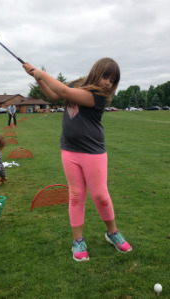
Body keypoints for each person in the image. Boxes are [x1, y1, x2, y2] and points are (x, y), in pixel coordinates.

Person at [23, 57, 132, 262]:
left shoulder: (99, 96)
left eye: (113, 80)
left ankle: (113, 233)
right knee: (76, 195)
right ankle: (78, 241)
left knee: (100, 196)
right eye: (106, 77)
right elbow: (54, 95)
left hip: (93, 152)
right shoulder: (77, 83)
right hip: (70, 150)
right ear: (97, 72)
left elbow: (64, 92)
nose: (108, 83)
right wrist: (37, 79)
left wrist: (41, 73)